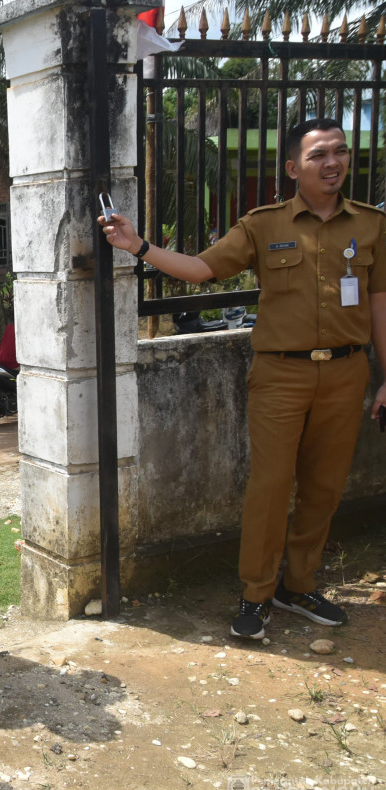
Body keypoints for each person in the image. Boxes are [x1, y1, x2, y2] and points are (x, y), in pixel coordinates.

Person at [101, 117, 386, 640]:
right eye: (319, 154)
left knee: (325, 488)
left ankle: (297, 586)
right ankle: (256, 594)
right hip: (282, 375)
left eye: (340, 152)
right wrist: (137, 246)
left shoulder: (370, 225)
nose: (333, 163)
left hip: (348, 372)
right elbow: (201, 269)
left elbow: (379, 300)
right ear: (293, 167)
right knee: (271, 488)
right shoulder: (264, 224)